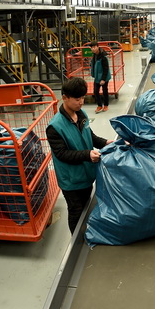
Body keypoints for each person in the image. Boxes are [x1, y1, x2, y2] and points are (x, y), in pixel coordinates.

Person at [46, 77, 111, 233]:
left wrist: (106, 142)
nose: (81, 102)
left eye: (83, 97)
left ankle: (87, 231)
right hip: (71, 180)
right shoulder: (54, 127)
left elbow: (90, 136)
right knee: (76, 211)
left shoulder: (81, 115)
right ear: (65, 98)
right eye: (77, 99)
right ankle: (77, 240)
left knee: (86, 206)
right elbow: (62, 154)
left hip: (86, 174)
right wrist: (87, 155)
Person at [89, 41, 111, 114]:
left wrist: (103, 79)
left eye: (94, 47)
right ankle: (99, 105)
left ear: (98, 47)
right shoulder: (94, 55)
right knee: (95, 91)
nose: (93, 49)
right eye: (92, 47)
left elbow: (106, 69)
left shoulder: (103, 57)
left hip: (103, 77)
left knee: (105, 91)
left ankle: (106, 105)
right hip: (97, 77)